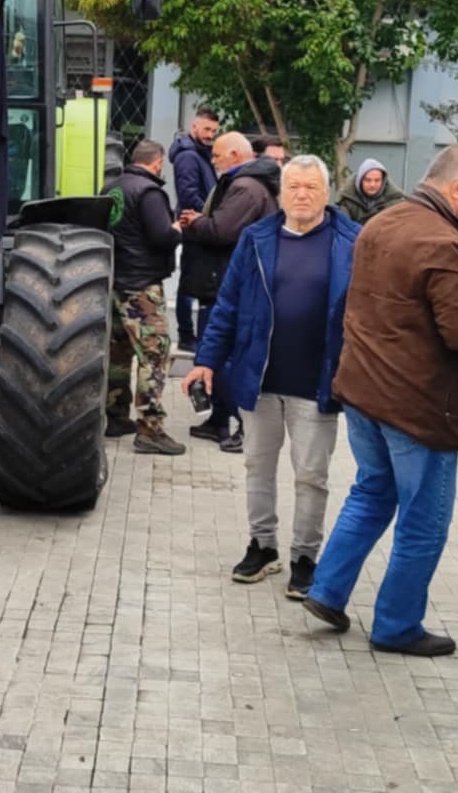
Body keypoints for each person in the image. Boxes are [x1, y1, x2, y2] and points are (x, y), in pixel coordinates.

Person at [301, 144, 458, 655]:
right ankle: (396, 625)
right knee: (425, 517)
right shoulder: (442, 244)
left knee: (372, 492)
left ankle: (327, 590)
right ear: (457, 188)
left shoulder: (382, 224)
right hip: (418, 406)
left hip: (363, 391)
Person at [185, 156, 359, 600]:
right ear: (282, 192)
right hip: (257, 379)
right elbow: (227, 304)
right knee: (257, 467)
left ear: (327, 192)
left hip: (316, 383)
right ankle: (263, 547)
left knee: (311, 475)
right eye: (294, 186)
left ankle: (304, 558)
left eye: (311, 187)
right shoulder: (256, 238)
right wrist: (206, 359)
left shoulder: (352, 240)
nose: (302, 194)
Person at [181, 132, 282, 450]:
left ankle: (243, 425)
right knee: (215, 353)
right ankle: (218, 420)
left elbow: (222, 231)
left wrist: (196, 222)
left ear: (236, 155)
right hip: (221, 279)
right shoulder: (245, 184)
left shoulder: (245, 188)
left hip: (227, 282)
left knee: (219, 356)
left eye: (217, 156)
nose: (213, 161)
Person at [107, 141, 185, 455]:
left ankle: (114, 415)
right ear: (158, 163)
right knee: (155, 354)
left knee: (119, 352)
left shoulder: (111, 188)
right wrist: (179, 227)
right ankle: (150, 428)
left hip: (115, 282)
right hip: (141, 286)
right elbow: (162, 236)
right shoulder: (150, 192)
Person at [168, 109, 221, 345]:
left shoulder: (200, 153)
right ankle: (186, 335)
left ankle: (189, 334)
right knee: (190, 284)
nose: (210, 135)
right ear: (194, 127)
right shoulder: (189, 156)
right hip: (194, 226)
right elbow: (188, 194)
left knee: (194, 282)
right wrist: (211, 215)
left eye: (214, 131)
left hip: (199, 223)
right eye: (207, 129)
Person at [335, 157, 405, 226]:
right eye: (368, 180)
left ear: (383, 181)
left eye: (377, 180)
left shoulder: (396, 203)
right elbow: (343, 228)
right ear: (360, 181)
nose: (372, 185)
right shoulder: (346, 201)